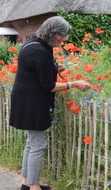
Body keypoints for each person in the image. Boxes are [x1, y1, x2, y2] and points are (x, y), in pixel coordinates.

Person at [9, 16, 91, 190]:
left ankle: (26, 184)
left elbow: (37, 71)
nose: (62, 42)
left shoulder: (34, 44)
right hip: (32, 103)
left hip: (26, 100)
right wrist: (74, 84)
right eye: (61, 38)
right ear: (53, 34)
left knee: (31, 142)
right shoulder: (39, 51)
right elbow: (48, 86)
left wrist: (53, 68)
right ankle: (33, 186)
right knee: (38, 145)